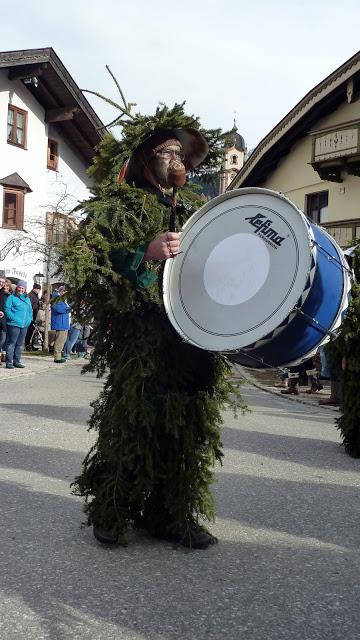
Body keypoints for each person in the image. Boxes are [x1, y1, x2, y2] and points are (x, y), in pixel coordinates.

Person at [60, 113, 243, 550]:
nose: (175, 160)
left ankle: (169, 514)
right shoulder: (119, 206)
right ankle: (112, 511)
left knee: (186, 427)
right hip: (143, 340)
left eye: (180, 154)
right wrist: (144, 252)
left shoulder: (192, 210)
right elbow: (90, 268)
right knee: (132, 424)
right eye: (166, 152)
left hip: (191, 336)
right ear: (146, 158)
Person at [4, 280, 32, 369]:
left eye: (23, 288)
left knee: (20, 344)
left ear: (25, 289)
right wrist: (12, 318)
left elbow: (30, 310)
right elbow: (7, 309)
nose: (21, 289)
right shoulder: (11, 297)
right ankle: (9, 362)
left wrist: (29, 319)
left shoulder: (27, 299)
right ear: (17, 288)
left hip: (24, 325)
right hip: (14, 324)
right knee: (11, 343)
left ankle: (17, 361)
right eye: (19, 287)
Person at [50, 285, 71, 363]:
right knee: (59, 341)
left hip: (64, 323)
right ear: (61, 291)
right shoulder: (56, 298)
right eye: (65, 292)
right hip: (60, 323)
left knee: (62, 340)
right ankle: (57, 358)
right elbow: (59, 309)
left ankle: (59, 356)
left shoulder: (62, 299)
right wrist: (69, 309)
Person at [25, 283, 41, 347]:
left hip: (35, 314)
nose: (39, 291)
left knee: (33, 331)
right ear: (35, 289)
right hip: (31, 315)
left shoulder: (36, 295)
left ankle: (31, 344)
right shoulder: (31, 295)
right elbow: (30, 306)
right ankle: (27, 344)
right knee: (29, 330)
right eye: (38, 289)